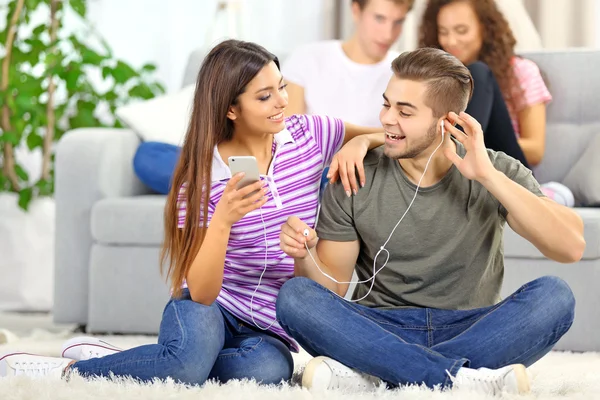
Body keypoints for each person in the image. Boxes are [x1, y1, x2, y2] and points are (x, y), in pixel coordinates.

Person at [0, 39, 384, 385]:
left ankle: (141, 360)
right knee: (186, 366)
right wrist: (222, 221)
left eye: (281, 87)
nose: (283, 101)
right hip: (213, 306)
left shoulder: (308, 135)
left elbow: (390, 136)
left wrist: (361, 141)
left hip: (265, 329)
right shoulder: (200, 178)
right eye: (265, 96)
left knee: (270, 371)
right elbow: (201, 293)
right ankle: (67, 372)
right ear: (231, 109)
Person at [276, 48, 584, 395]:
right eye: (387, 104)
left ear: (446, 121)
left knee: (555, 296)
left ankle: (378, 373)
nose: (387, 118)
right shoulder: (356, 172)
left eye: (404, 111)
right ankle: (461, 378)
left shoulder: (491, 168)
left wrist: (487, 177)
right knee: (295, 296)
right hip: (380, 325)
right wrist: (303, 254)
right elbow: (330, 288)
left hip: (471, 325)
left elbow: (571, 246)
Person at [419, 0, 574, 205]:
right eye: (444, 32)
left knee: (478, 73)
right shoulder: (435, 79)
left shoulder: (520, 72)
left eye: (461, 30)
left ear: (485, 28)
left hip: (505, 172)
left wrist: (478, 143)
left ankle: (455, 153)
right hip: (460, 170)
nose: (451, 41)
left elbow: (535, 149)